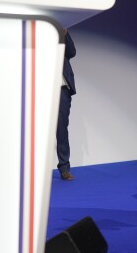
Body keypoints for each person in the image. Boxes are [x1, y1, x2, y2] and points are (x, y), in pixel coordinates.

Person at [57, 29, 76, 181]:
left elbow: (72, 52)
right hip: (42, 90)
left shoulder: (60, 37)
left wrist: (64, 33)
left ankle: (64, 167)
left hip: (62, 90)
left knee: (61, 129)